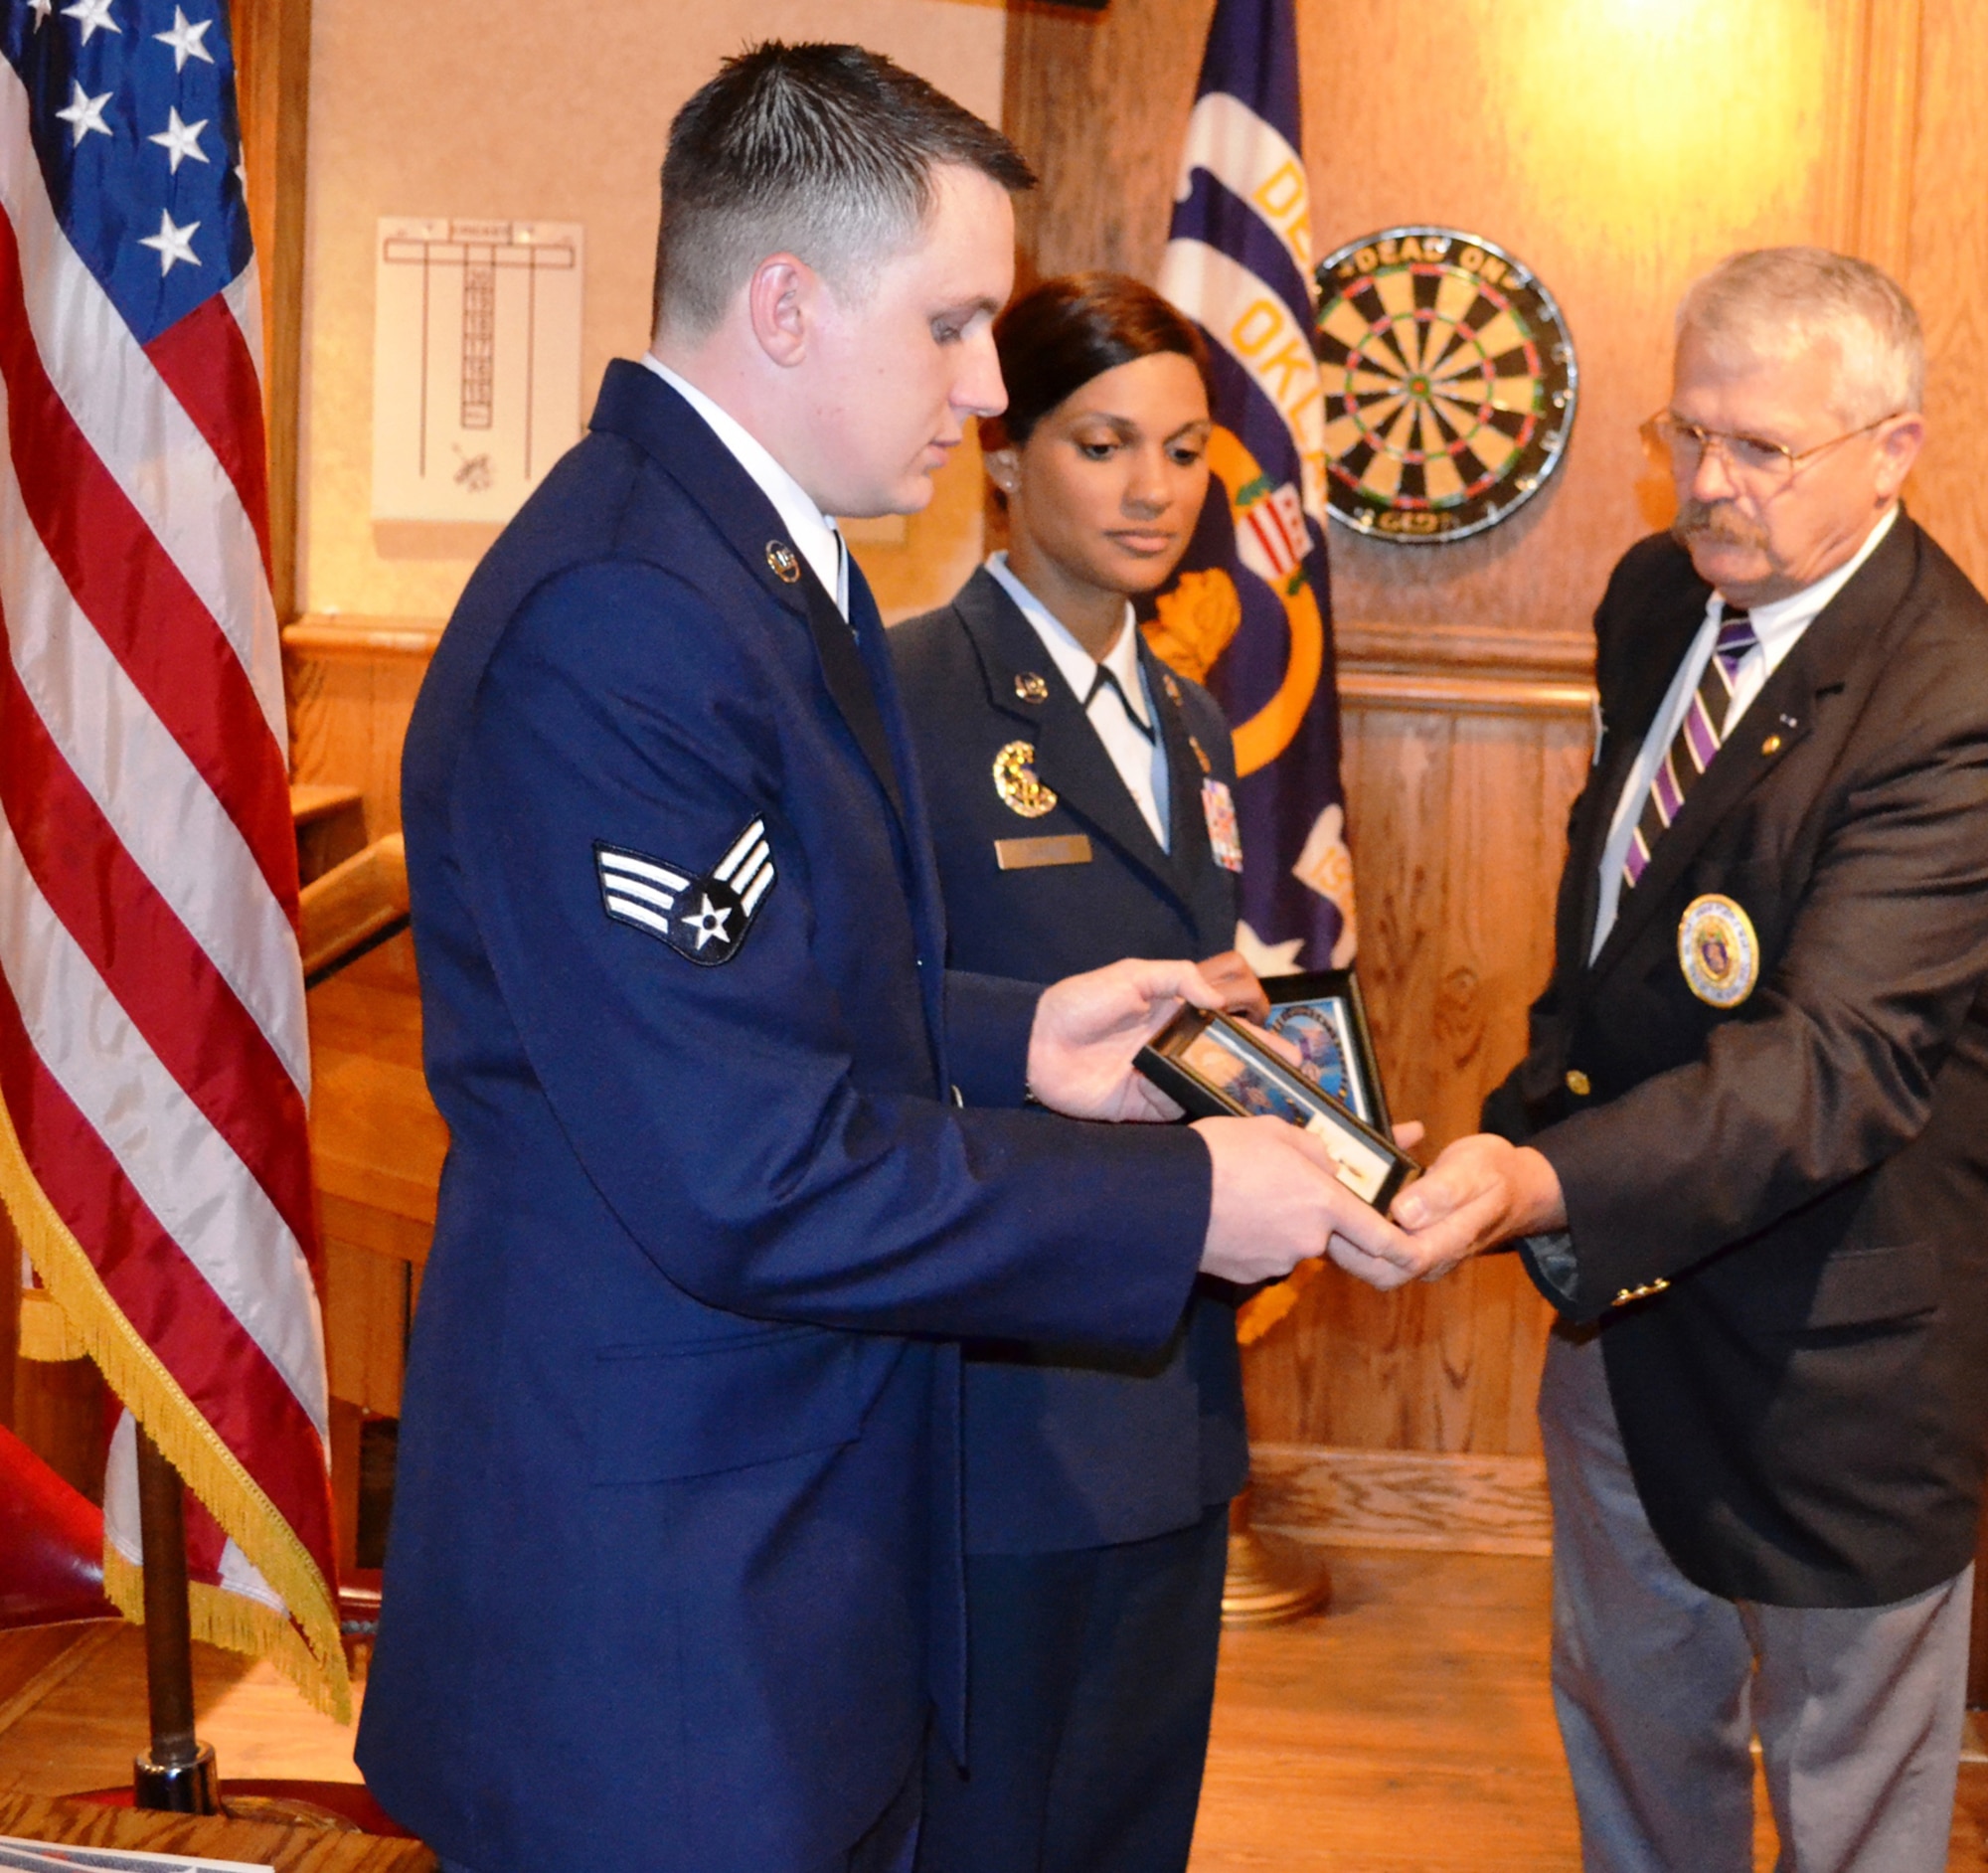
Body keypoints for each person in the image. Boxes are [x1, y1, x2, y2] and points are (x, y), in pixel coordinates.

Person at [353, 46, 1414, 1873]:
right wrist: (1172, 1205)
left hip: (792, 1545)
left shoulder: (762, 569)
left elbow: (773, 1008)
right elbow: (748, 1170)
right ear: (784, 302)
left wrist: (1021, 1042)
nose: (985, 389)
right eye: (949, 327)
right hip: (666, 1610)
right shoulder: (624, 614)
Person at [1383, 248, 1988, 1872]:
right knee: (1636, 1760)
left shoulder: (1954, 701)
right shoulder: (1661, 597)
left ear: (1895, 447)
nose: (1707, 487)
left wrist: (1538, 1180)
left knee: (1852, 1807)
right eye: (1686, 433)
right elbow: (1621, 931)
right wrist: (1516, 1135)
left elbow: (1835, 1064)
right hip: (1620, 1316)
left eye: (1759, 450)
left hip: (1833, 1370)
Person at [892, 273, 1260, 1873]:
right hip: (1011, 1381)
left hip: (1175, 1368)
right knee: (994, 1827)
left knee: (1132, 1817)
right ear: (1002, 452)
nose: (1152, 491)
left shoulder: (1190, 716)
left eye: (1184, 453)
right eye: (1103, 444)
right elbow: (874, 1015)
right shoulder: (905, 693)